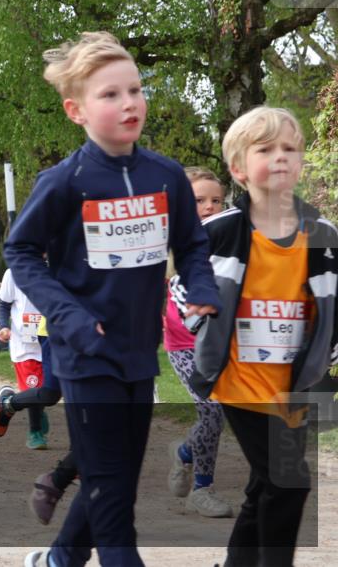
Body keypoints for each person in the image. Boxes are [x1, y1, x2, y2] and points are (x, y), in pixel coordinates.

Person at [5, 31, 221, 567]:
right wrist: (70, 315)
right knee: (114, 499)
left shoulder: (165, 174)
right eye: (110, 95)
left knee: (115, 477)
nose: (130, 103)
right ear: (75, 110)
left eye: (136, 90)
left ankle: (58, 560)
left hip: (137, 355)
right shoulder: (64, 181)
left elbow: (193, 243)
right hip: (83, 356)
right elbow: (21, 251)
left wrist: (201, 289)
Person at [191, 106, 338, 567]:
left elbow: (333, 305)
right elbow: (181, 283)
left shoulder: (323, 233)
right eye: (266, 149)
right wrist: (199, 312)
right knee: (288, 481)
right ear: (238, 167)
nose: (280, 157)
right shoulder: (219, 231)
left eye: (290, 149)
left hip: (293, 384)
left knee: (264, 485)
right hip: (239, 380)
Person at [163, 167, 232, 518]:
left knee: (226, 412)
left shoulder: (232, 242)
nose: (209, 207)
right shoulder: (174, 244)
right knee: (213, 410)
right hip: (185, 344)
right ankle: (203, 489)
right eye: (199, 200)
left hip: (223, 342)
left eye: (216, 200)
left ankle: (186, 453)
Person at [0, 267, 49, 449]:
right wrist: (3, 326)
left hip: (51, 340)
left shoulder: (58, 268)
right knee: (34, 386)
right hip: (25, 345)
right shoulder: (13, 273)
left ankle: (33, 409)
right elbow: (3, 304)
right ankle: (35, 432)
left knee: (50, 391)